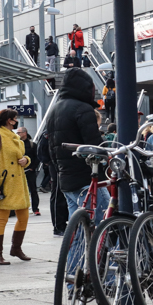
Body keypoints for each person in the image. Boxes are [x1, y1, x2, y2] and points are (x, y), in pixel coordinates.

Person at [46, 67, 108, 220]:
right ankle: (112, 245)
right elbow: (94, 145)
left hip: (65, 178)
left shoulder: (54, 109)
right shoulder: (83, 109)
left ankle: (74, 245)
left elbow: (51, 148)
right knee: (106, 220)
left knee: (78, 228)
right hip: (86, 177)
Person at [0, 109, 32, 265]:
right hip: (3, 184)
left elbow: (22, 156)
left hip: (19, 183)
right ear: (9, 120)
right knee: (1, 219)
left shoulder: (15, 137)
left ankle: (16, 248)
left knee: (24, 217)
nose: (16, 120)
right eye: (14, 118)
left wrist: (26, 160)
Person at [37, 128, 66, 236]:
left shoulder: (51, 128)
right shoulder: (51, 129)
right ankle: (58, 226)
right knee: (58, 193)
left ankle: (60, 225)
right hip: (56, 163)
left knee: (59, 193)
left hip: (56, 163)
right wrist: (49, 161)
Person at [15, 127, 40, 216]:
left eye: (19, 132)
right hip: (19, 172)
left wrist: (32, 168)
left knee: (33, 190)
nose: (17, 134)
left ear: (25, 133)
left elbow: (37, 158)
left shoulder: (32, 145)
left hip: (30, 171)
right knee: (19, 190)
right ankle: (21, 208)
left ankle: (35, 208)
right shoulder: (16, 144)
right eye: (17, 132)